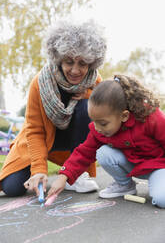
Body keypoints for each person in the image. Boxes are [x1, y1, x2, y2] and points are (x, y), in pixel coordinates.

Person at [0, 19, 107, 197]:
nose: (75, 70)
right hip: (42, 139)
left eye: (82, 63)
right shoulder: (40, 83)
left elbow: (105, 115)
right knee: (12, 188)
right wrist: (39, 170)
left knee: (87, 106)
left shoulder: (95, 82)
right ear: (58, 58)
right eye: (69, 62)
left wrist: (89, 96)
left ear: (92, 62)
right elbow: (34, 130)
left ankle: (76, 175)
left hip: (73, 141)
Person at [47, 74, 165, 208]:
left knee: (162, 200)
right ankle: (124, 186)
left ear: (124, 116)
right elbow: (83, 153)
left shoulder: (151, 117)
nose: (97, 128)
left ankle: (158, 183)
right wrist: (63, 177)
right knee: (104, 153)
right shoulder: (99, 130)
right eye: (94, 122)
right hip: (133, 165)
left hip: (158, 167)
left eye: (103, 123)